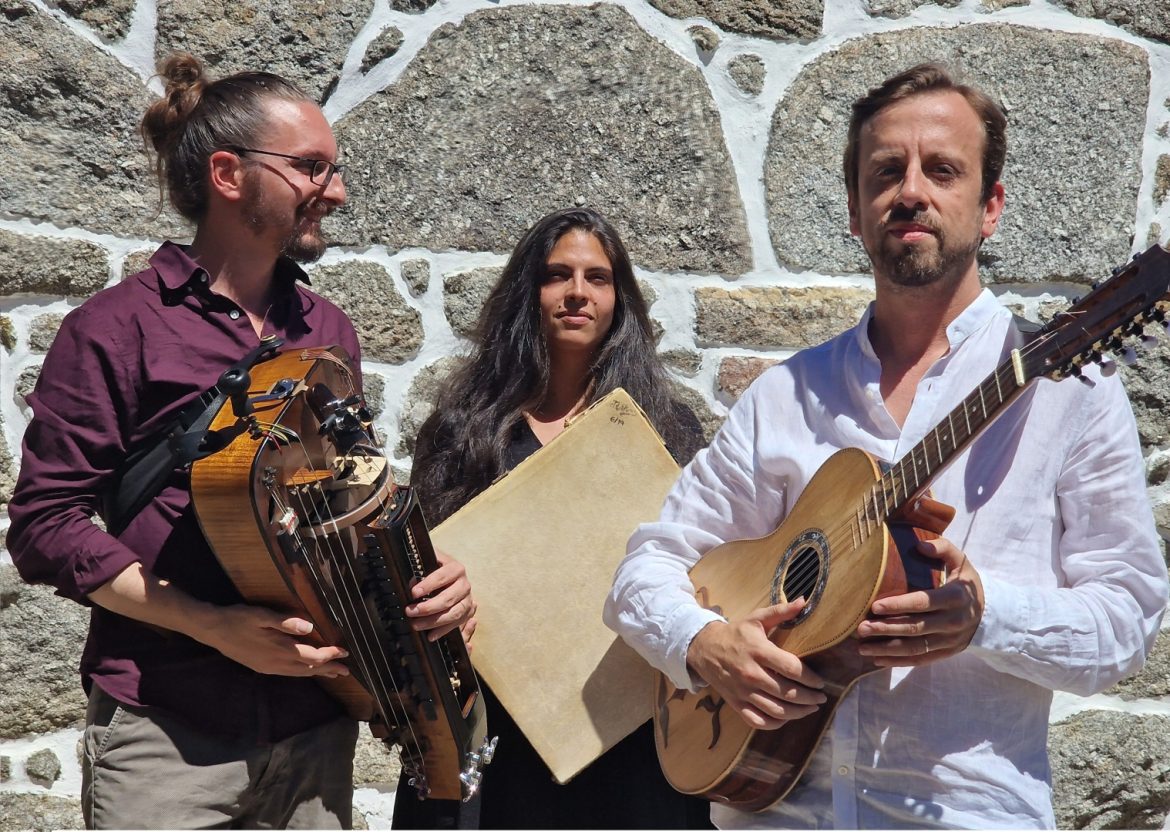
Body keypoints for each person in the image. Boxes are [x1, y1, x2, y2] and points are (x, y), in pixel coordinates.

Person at [605, 63, 1169, 829]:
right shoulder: (787, 396)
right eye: (886, 171)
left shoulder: (1070, 394)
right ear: (854, 209)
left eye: (943, 170)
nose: (911, 191)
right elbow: (647, 566)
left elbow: (1129, 621)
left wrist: (987, 616)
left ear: (990, 207)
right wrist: (701, 643)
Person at [7, 53, 472, 830]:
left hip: (315, 725)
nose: (338, 190)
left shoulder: (326, 331)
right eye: (311, 167)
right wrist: (209, 624)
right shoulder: (116, 327)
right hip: (167, 727)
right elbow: (44, 525)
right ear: (229, 174)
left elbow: (339, 505)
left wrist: (430, 574)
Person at [393, 206, 711, 829]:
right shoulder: (466, 431)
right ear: (527, 293)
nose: (576, 293)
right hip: (500, 722)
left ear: (619, 299)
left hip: (628, 723)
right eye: (556, 275)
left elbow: (708, 566)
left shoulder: (666, 429)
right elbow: (419, 573)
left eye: (598, 278)